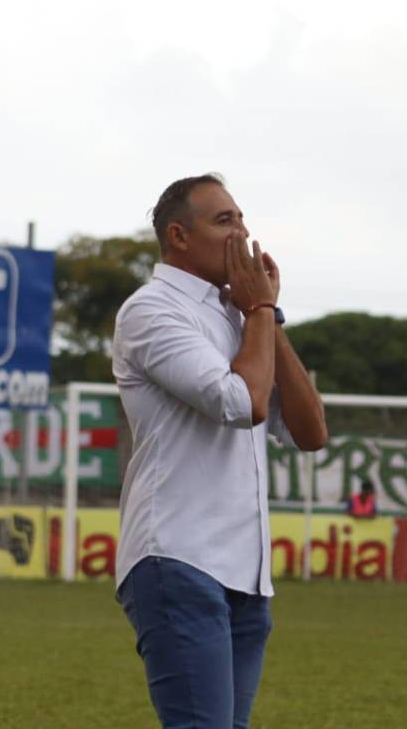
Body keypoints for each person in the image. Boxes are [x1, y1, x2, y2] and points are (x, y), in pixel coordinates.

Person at [112, 173, 328, 729]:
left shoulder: (240, 316)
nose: (243, 234)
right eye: (224, 220)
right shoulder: (151, 310)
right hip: (178, 555)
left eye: (241, 218)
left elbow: (309, 432)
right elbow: (242, 403)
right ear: (179, 236)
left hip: (244, 573)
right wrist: (257, 312)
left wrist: (267, 315)